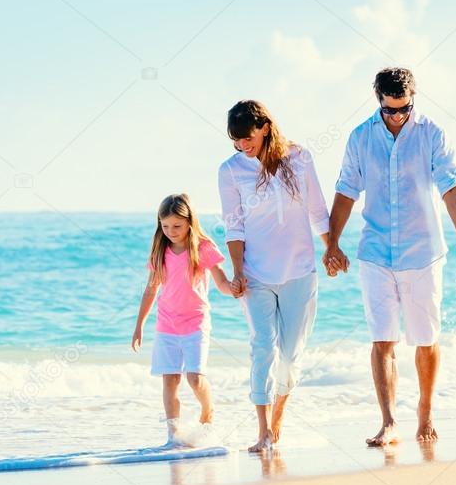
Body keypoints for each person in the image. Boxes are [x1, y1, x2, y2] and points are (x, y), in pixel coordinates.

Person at [325, 67, 456, 445]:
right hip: (375, 252)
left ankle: (425, 414)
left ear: (412, 100)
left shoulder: (431, 133)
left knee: (426, 340)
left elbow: (451, 186)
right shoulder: (361, 137)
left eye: (404, 109)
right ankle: (389, 422)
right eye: (389, 110)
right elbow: (347, 191)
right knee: (382, 339)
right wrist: (332, 244)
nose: (397, 116)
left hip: (423, 252)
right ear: (378, 100)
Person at [218, 100, 331, 453]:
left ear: (265, 126)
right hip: (256, 275)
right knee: (262, 349)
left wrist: (332, 248)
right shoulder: (230, 170)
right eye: (235, 141)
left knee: (290, 355)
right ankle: (263, 430)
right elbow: (233, 225)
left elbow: (317, 210)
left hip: (300, 271)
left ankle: (278, 418)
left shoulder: (299, 158)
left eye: (246, 137)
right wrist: (237, 273)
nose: (242, 146)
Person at [132, 193, 232, 446]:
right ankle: (173, 436)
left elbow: (220, 280)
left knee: (195, 378)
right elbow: (151, 290)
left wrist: (233, 289)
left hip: (196, 322)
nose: (171, 231)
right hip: (166, 325)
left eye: (177, 226)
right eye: (165, 226)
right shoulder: (160, 251)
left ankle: (208, 411)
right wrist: (139, 325)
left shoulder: (203, 248)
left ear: (189, 222)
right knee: (170, 379)